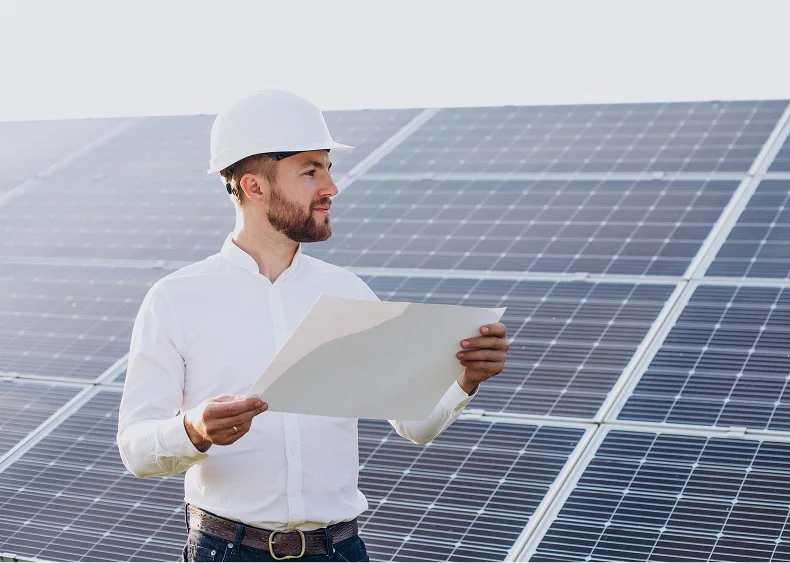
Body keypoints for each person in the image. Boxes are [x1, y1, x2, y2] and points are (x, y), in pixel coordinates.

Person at [116, 90, 510, 562]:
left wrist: (465, 379)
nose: (331, 187)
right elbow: (136, 451)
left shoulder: (348, 291)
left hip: (339, 551)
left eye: (328, 168)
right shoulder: (176, 299)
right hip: (227, 552)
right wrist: (194, 430)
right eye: (310, 171)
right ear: (254, 187)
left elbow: (415, 425)